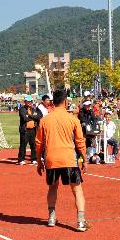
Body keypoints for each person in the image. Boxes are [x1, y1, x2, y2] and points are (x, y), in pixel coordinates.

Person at [35, 89, 89, 232]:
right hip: (69, 159)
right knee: (77, 189)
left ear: (53, 102)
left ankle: (51, 217)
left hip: (51, 159)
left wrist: (39, 162)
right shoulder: (73, 119)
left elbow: (38, 143)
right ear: (65, 102)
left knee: (53, 187)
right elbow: (80, 141)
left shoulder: (44, 120)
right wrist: (84, 158)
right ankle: (81, 222)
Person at [18, 95, 41, 165]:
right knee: (23, 145)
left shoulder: (34, 108)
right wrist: (34, 117)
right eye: (28, 101)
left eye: (30, 101)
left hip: (33, 129)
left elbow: (39, 116)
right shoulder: (22, 109)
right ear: (25, 102)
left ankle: (33, 159)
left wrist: (30, 116)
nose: (30, 103)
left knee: (33, 145)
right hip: (25, 130)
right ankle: (21, 159)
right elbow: (25, 118)